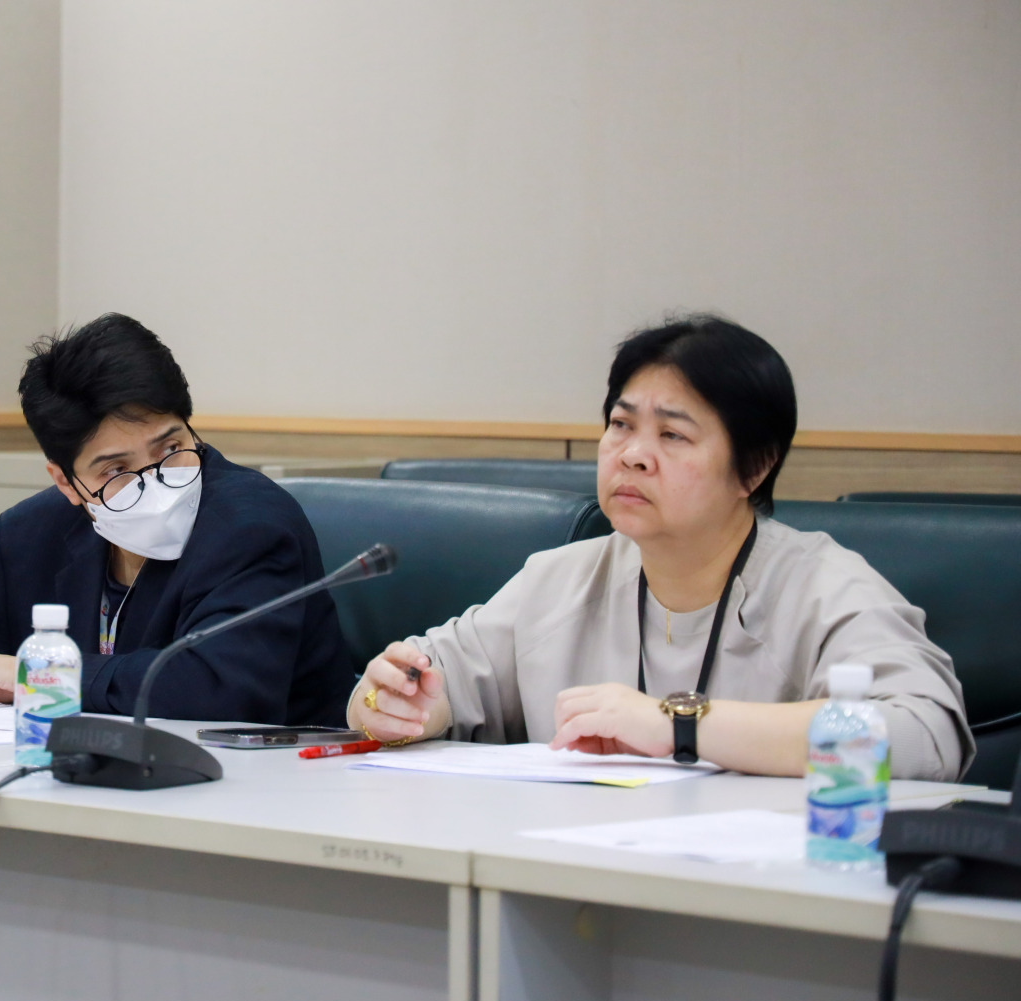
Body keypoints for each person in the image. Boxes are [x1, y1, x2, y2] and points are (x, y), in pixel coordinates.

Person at [347, 314, 970, 780]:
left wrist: (679, 724)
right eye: (621, 425)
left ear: (753, 469)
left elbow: (925, 734)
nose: (633, 454)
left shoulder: (825, 587)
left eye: (673, 435)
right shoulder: (559, 579)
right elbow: (418, 682)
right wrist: (394, 706)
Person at [0, 313, 356, 725]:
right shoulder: (33, 531)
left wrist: (34, 676)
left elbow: (215, 689)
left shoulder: (253, 526)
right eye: (117, 470)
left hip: (269, 787)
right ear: (65, 481)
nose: (156, 480)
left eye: (170, 448)